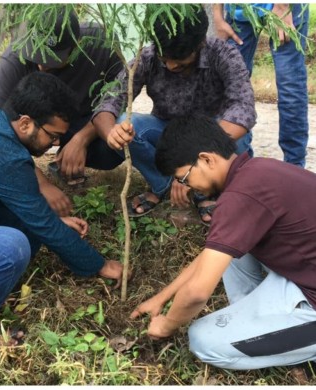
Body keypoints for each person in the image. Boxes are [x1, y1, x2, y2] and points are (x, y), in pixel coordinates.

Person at [0, 72, 124, 344]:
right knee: (9, 248)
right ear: (26, 123)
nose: (54, 145)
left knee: (31, 224)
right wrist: (101, 265)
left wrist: (53, 222)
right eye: (52, 136)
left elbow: (31, 208)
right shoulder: (2, 154)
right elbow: (42, 223)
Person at [132, 114, 316, 370]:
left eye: (184, 178)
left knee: (204, 341)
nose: (188, 188)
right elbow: (213, 253)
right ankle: (263, 321)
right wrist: (162, 297)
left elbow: (196, 293)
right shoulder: (257, 170)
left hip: (307, 291)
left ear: (206, 159)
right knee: (226, 247)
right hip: (303, 274)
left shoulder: (240, 196)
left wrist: (168, 323)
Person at [92, 5, 256, 224]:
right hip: (168, 132)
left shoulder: (223, 54)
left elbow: (243, 109)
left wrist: (190, 161)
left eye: (179, 60)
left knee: (240, 136)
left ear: (200, 44)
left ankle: (205, 191)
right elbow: (110, 100)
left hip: (210, 136)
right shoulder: (148, 57)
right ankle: (165, 185)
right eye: (165, 59)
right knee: (124, 123)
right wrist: (111, 133)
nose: (170, 66)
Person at [0, 10, 124, 211]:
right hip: (32, 125)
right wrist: (40, 182)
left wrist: (81, 139)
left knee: (113, 147)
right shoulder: (15, 58)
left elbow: (118, 95)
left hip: (81, 120)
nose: (42, 66)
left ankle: (66, 159)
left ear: (77, 45)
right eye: (37, 55)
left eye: (52, 58)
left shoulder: (101, 43)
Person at [213, 3, 309, 168]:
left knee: (289, 85)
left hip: (284, 7)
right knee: (228, 84)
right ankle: (240, 167)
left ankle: (294, 168)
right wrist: (218, 15)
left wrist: (283, 5)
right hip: (239, 9)